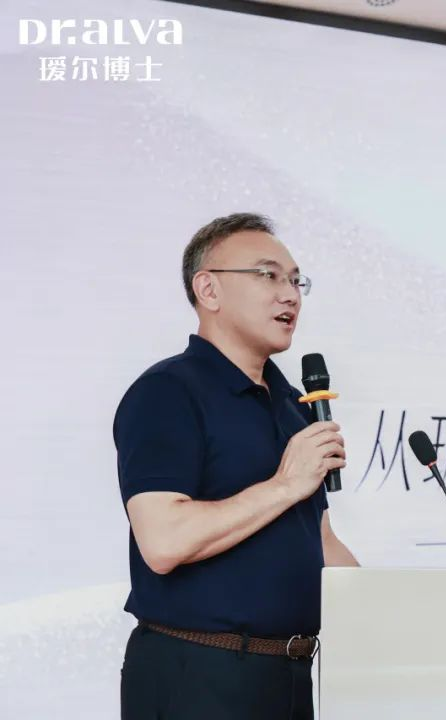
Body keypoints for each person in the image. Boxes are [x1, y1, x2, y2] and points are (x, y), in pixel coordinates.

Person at [113, 213, 359, 720]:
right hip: (199, 674)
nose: (289, 295)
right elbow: (164, 541)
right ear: (208, 289)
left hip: (290, 675)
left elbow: (320, 540)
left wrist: (398, 614)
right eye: (268, 275)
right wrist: (285, 484)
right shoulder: (167, 392)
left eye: (296, 281)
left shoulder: (293, 404)